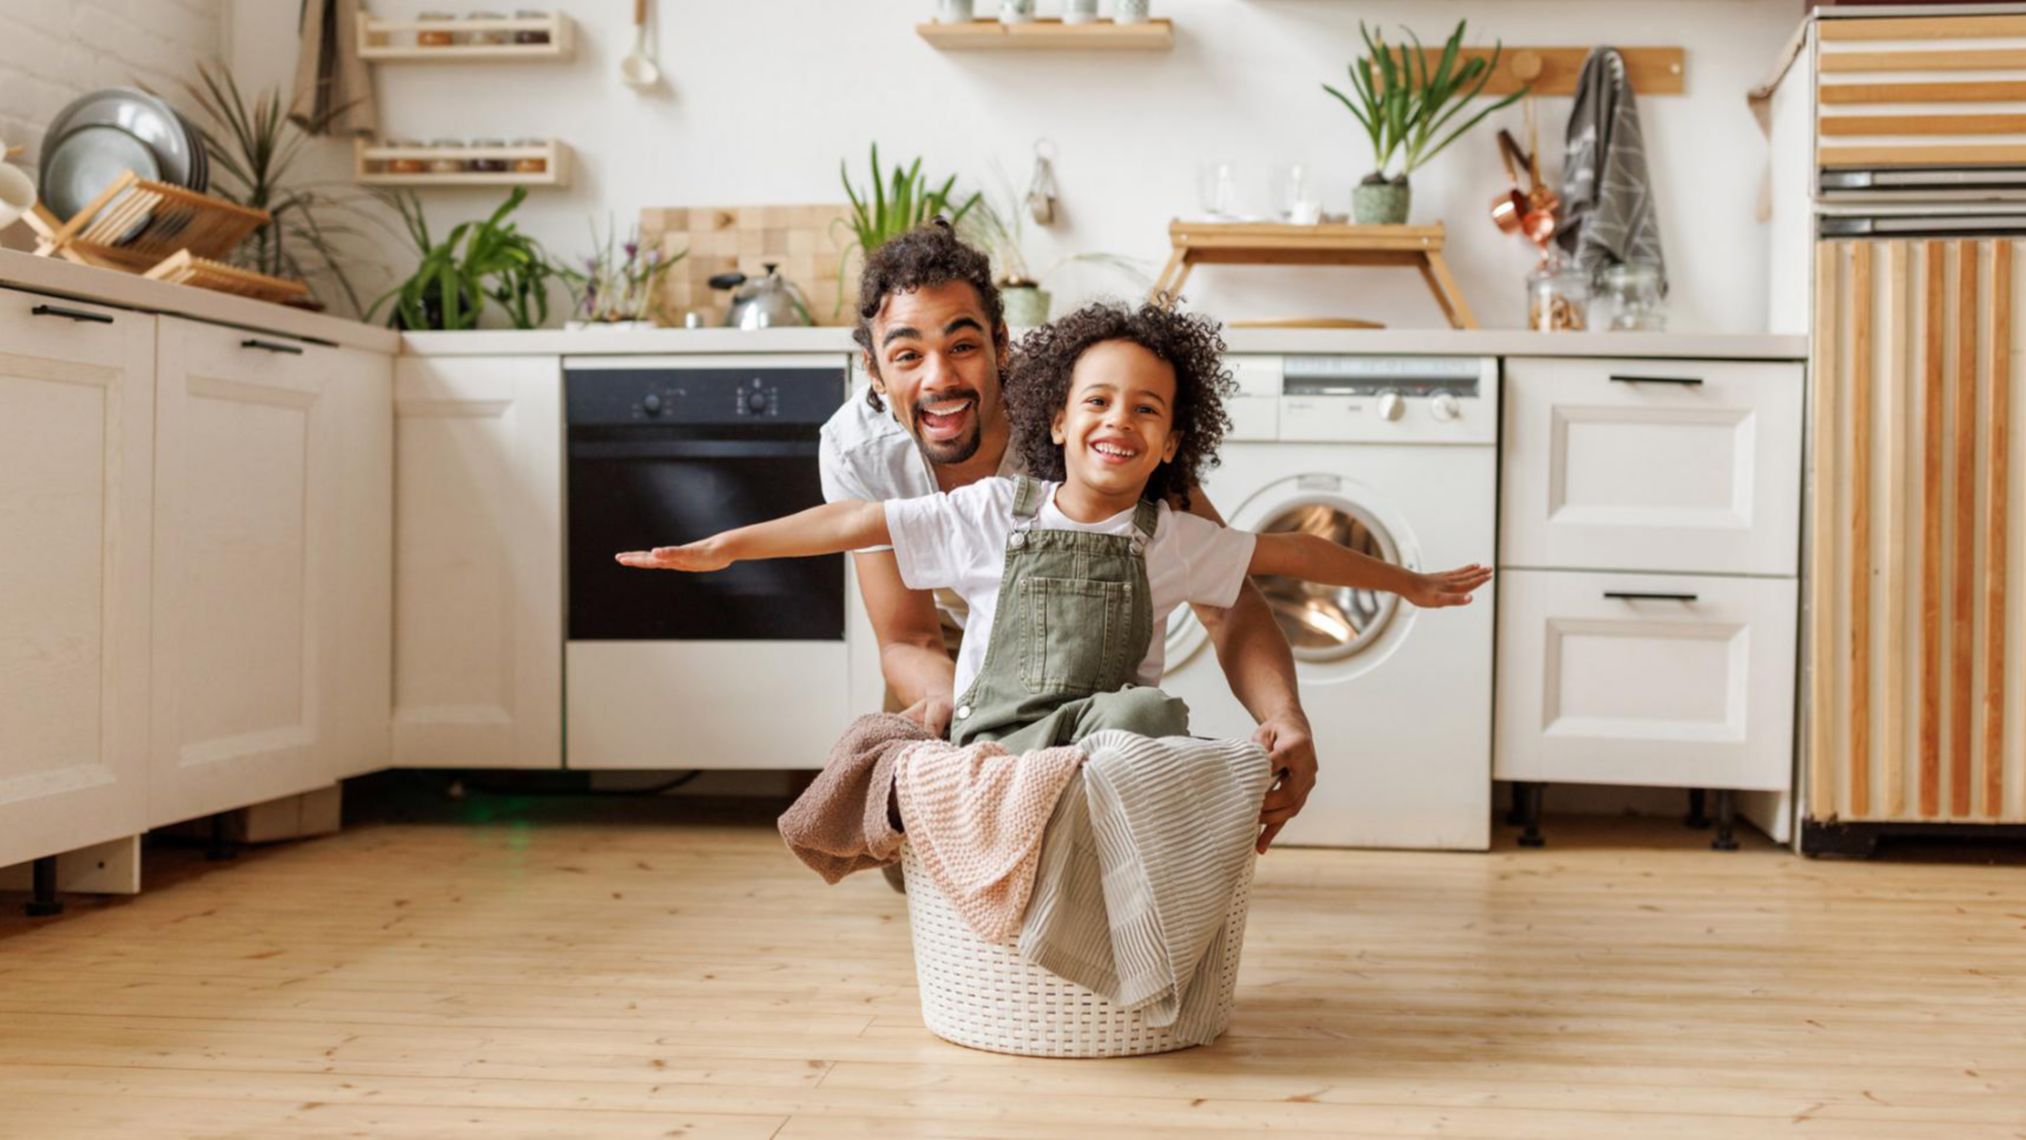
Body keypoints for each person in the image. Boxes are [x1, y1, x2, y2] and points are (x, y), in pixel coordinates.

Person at [617, 300, 1491, 760]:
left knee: (1155, 712)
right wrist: (729, 544)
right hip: (1000, 733)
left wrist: (1406, 584)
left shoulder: (1173, 535)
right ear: (1060, 422)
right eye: (1098, 402)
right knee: (927, 742)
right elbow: (855, 521)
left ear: (1172, 444)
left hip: (1104, 745)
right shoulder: (997, 510)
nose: (1121, 420)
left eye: (1147, 410)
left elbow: (1291, 552)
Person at [808, 220, 1322, 855]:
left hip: (1087, 648)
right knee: (925, 840)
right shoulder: (860, 452)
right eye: (908, 354)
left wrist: (1284, 717)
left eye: (963, 345)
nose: (940, 379)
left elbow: (1229, 603)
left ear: (1002, 342)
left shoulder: (1089, 410)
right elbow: (907, 636)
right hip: (950, 639)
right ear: (876, 370)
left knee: (1084, 829)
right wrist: (964, 728)